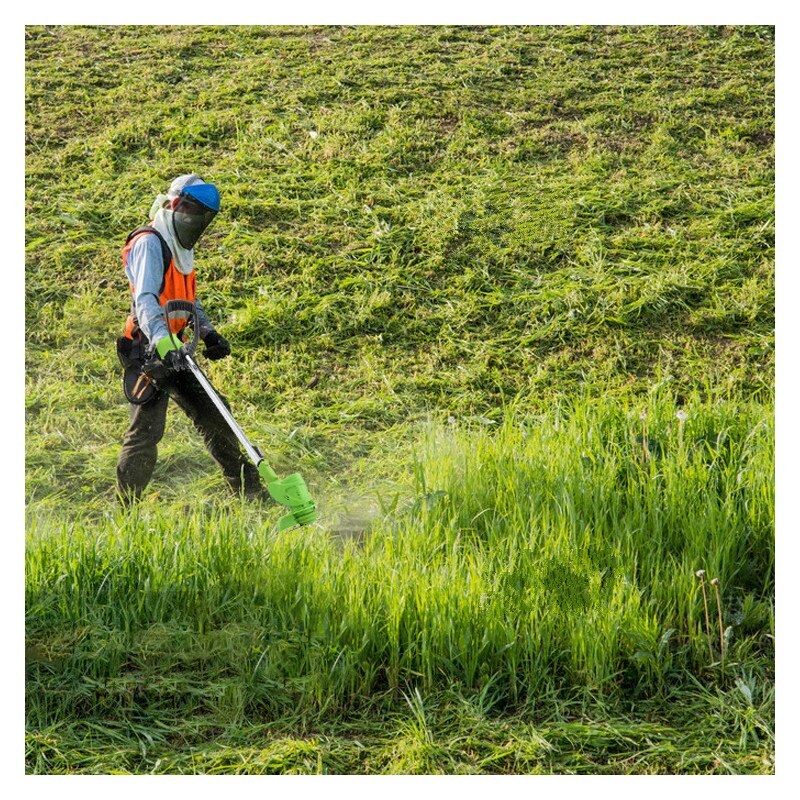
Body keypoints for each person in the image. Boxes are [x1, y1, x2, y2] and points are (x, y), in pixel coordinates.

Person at [115, 174, 263, 503]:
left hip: (175, 347)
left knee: (215, 412)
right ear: (174, 205)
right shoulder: (150, 242)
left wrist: (208, 333)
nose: (194, 222)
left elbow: (187, 299)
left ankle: (250, 493)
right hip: (147, 349)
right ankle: (127, 511)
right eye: (190, 213)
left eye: (201, 217)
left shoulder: (179, 247)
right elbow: (147, 300)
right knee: (147, 431)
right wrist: (163, 343)